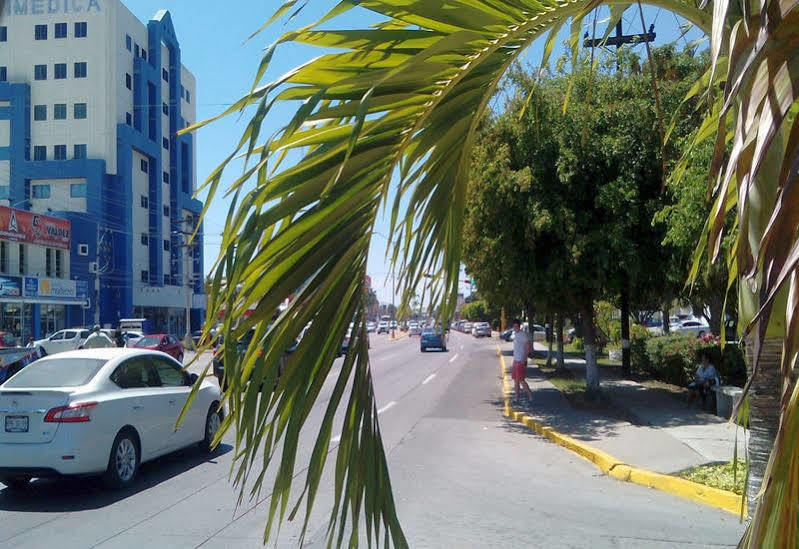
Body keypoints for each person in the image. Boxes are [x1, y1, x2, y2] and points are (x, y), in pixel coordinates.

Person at [511, 319, 534, 403]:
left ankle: (530, 396)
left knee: (521, 380)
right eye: (514, 326)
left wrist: (524, 360)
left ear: (519, 326)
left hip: (520, 360)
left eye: (516, 326)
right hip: (515, 360)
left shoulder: (522, 335)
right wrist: (514, 360)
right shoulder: (515, 334)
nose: (515, 328)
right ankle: (517, 398)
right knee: (515, 380)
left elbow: (528, 347)